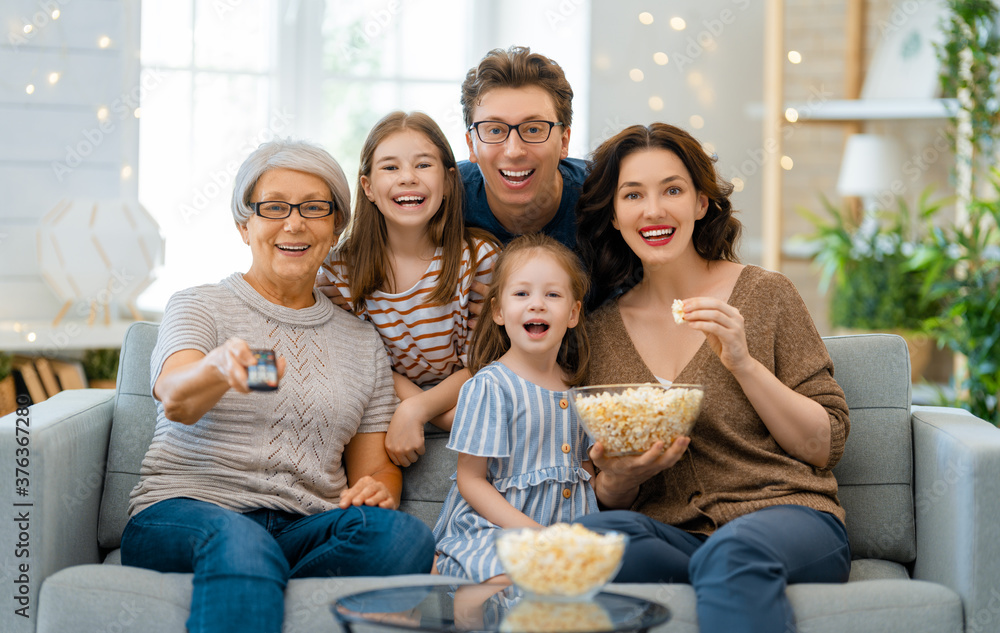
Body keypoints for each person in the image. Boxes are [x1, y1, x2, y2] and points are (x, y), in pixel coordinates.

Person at [121, 139, 435, 633]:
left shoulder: (361, 341)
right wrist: (218, 369)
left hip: (300, 526)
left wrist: (378, 490)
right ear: (245, 225)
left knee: (404, 538)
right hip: (185, 512)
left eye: (314, 208)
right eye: (274, 208)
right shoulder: (200, 306)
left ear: (335, 228)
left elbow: (374, 468)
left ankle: (252, 581)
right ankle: (250, 571)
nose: (294, 223)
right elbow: (176, 399)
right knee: (240, 543)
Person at [573, 123, 851, 633]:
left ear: (701, 203)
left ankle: (722, 569)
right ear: (614, 215)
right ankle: (715, 573)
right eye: (633, 194)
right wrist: (619, 478)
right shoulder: (597, 331)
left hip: (787, 516)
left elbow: (823, 445)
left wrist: (743, 362)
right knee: (591, 539)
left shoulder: (767, 295)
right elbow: (607, 490)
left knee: (734, 553)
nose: (653, 210)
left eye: (672, 190)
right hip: (675, 534)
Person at [322, 111, 500, 468]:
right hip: (387, 417)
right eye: (390, 168)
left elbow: (485, 360)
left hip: (470, 403)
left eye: (423, 165)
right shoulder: (338, 272)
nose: (408, 178)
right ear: (368, 187)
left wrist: (420, 409)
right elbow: (361, 364)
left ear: (449, 181)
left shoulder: (480, 258)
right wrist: (419, 410)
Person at [432, 233, 596, 582]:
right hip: (494, 528)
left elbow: (586, 473)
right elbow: (470, 480)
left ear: (573, 312)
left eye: (552, 294)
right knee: (501, 578)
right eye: (522, 293)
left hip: (564, 535)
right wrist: (533, 534)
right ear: (499, 311)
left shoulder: (580, 394)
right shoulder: (490, 386)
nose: (537, 304)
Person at [460, 46, 587, 249]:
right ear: (471, 145)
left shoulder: (604, 197)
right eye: (494, 130)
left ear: (564, 142)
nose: (513, 151)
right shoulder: (441, 197)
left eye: (534, 129)